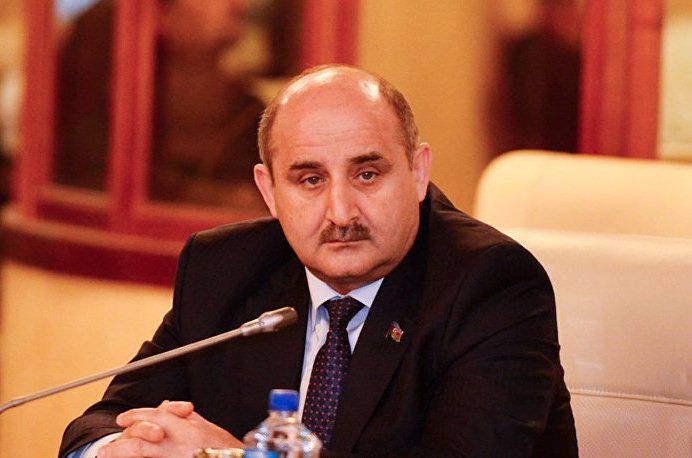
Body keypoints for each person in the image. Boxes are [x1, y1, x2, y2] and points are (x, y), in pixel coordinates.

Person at [60, 65, 578, 457]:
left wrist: (235, 457)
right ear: (269, 190)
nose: (341, 212)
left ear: (418, 172)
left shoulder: (492, 285)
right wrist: (124, 450)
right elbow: (100, 423)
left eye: (367, 174)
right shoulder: (223, 270)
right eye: (310, 180)